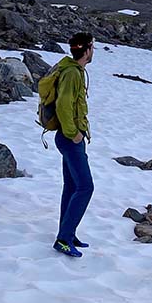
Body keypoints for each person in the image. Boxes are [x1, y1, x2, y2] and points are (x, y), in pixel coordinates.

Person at [53, 32, 95, 258]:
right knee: (85, 187)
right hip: (70, 138)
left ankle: (68, 231)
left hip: (70, 137)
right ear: (87, 50)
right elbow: (63, 105)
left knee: (71, 186)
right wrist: (74, 133)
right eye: (92, 47)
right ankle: (63, 239)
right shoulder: (72, 73)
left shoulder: (72, 69)